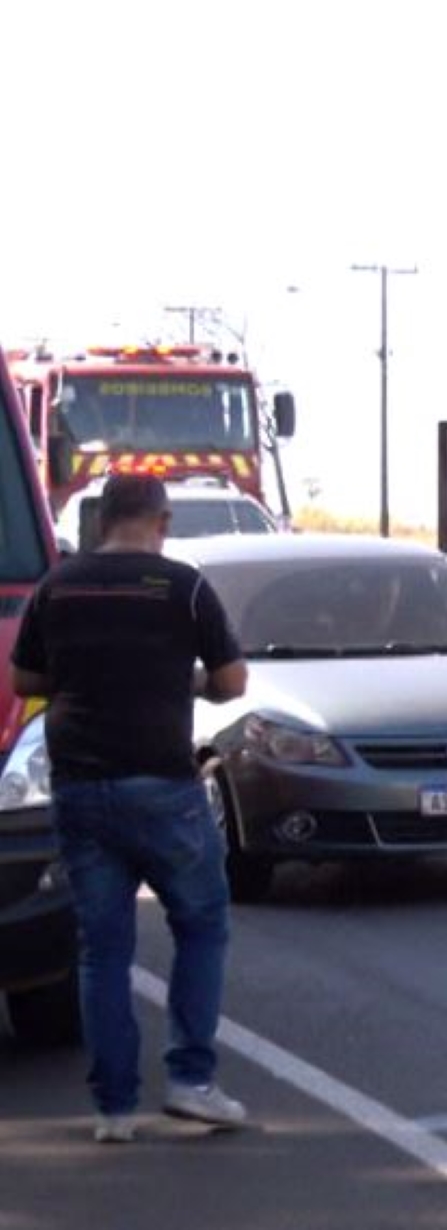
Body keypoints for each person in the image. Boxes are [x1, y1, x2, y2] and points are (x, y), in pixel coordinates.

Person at [9, 473, 249, 1143]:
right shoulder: (183, 586)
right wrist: (186, 676)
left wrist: (84, 670)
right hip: (163, 787)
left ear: (101, 520)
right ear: (162, 521)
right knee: (201, 923)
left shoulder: (58, 586)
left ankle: (113, 1107)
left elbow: (26, 679)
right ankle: (191, 1081)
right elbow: (232, 681)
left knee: (102, 948)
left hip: (81, 787)